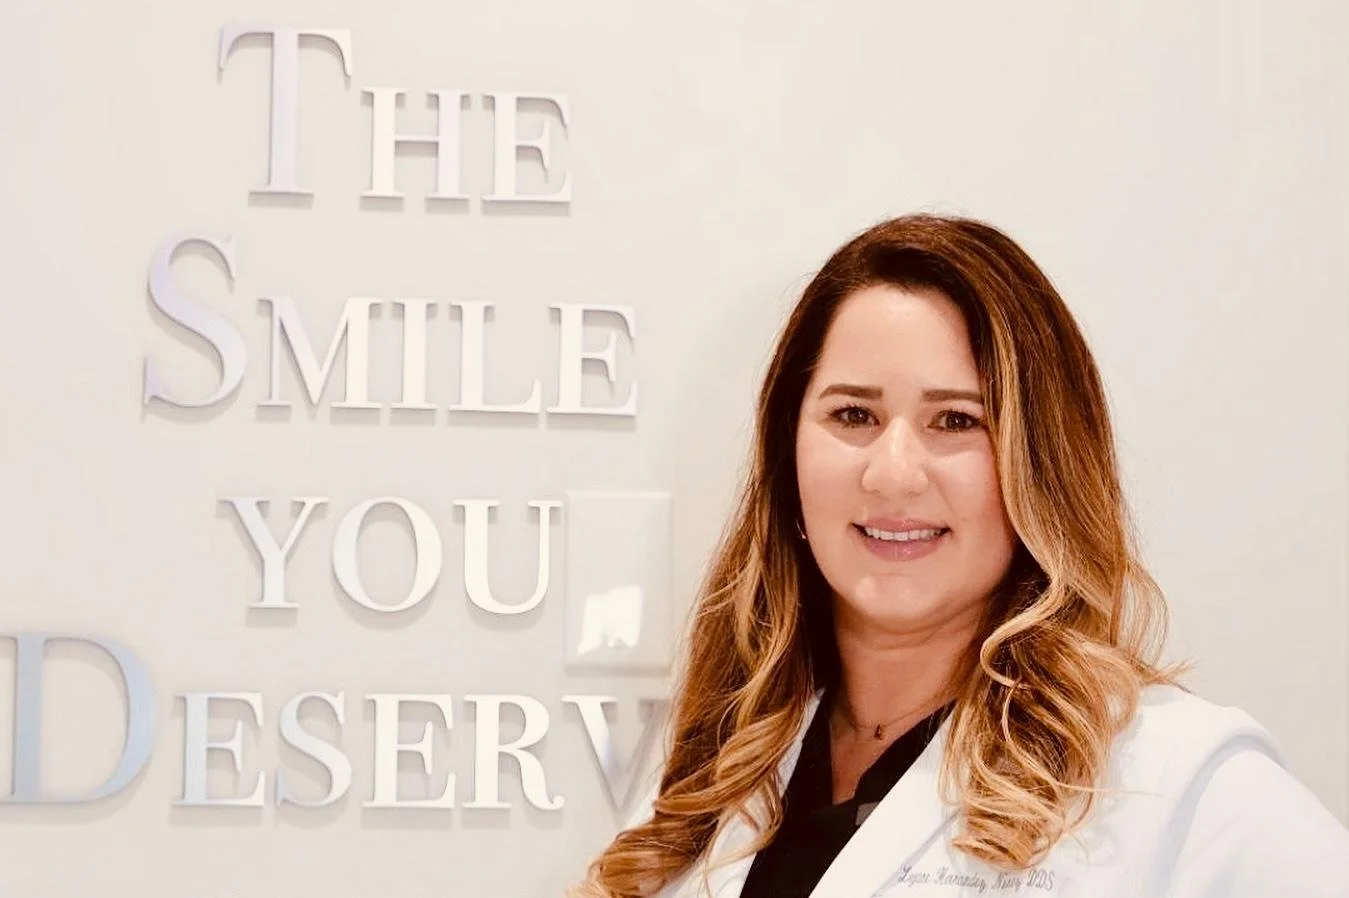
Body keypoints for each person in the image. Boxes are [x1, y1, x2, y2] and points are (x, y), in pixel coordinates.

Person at [571, 214, 1349, 898]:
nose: (892, 473)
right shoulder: (713, 776)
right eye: (853, 414)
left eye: (954, 421)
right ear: (787, 459)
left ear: (1039, 466)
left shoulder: (1172, 779)